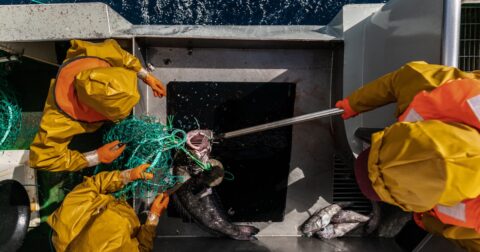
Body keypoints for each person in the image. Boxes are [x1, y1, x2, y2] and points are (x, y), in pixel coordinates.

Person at [335, 61, 480, 251]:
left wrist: (427, 222)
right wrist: (352, 104)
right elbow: (400, 79)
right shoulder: (437, 90)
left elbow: (468, 239)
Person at [29, 39, 166, 172]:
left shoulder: (93, 53)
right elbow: (41, 159)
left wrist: (146, 76)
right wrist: (95, 157)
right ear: (96, 113)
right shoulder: (58, 121)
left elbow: (122, 57)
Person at [47, 163, 169, 252]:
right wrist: (153, 216)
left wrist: (127, 176)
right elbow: (143, 248)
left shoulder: (65, 223)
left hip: (115, 196)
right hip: (136, 219)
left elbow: (94, 184)